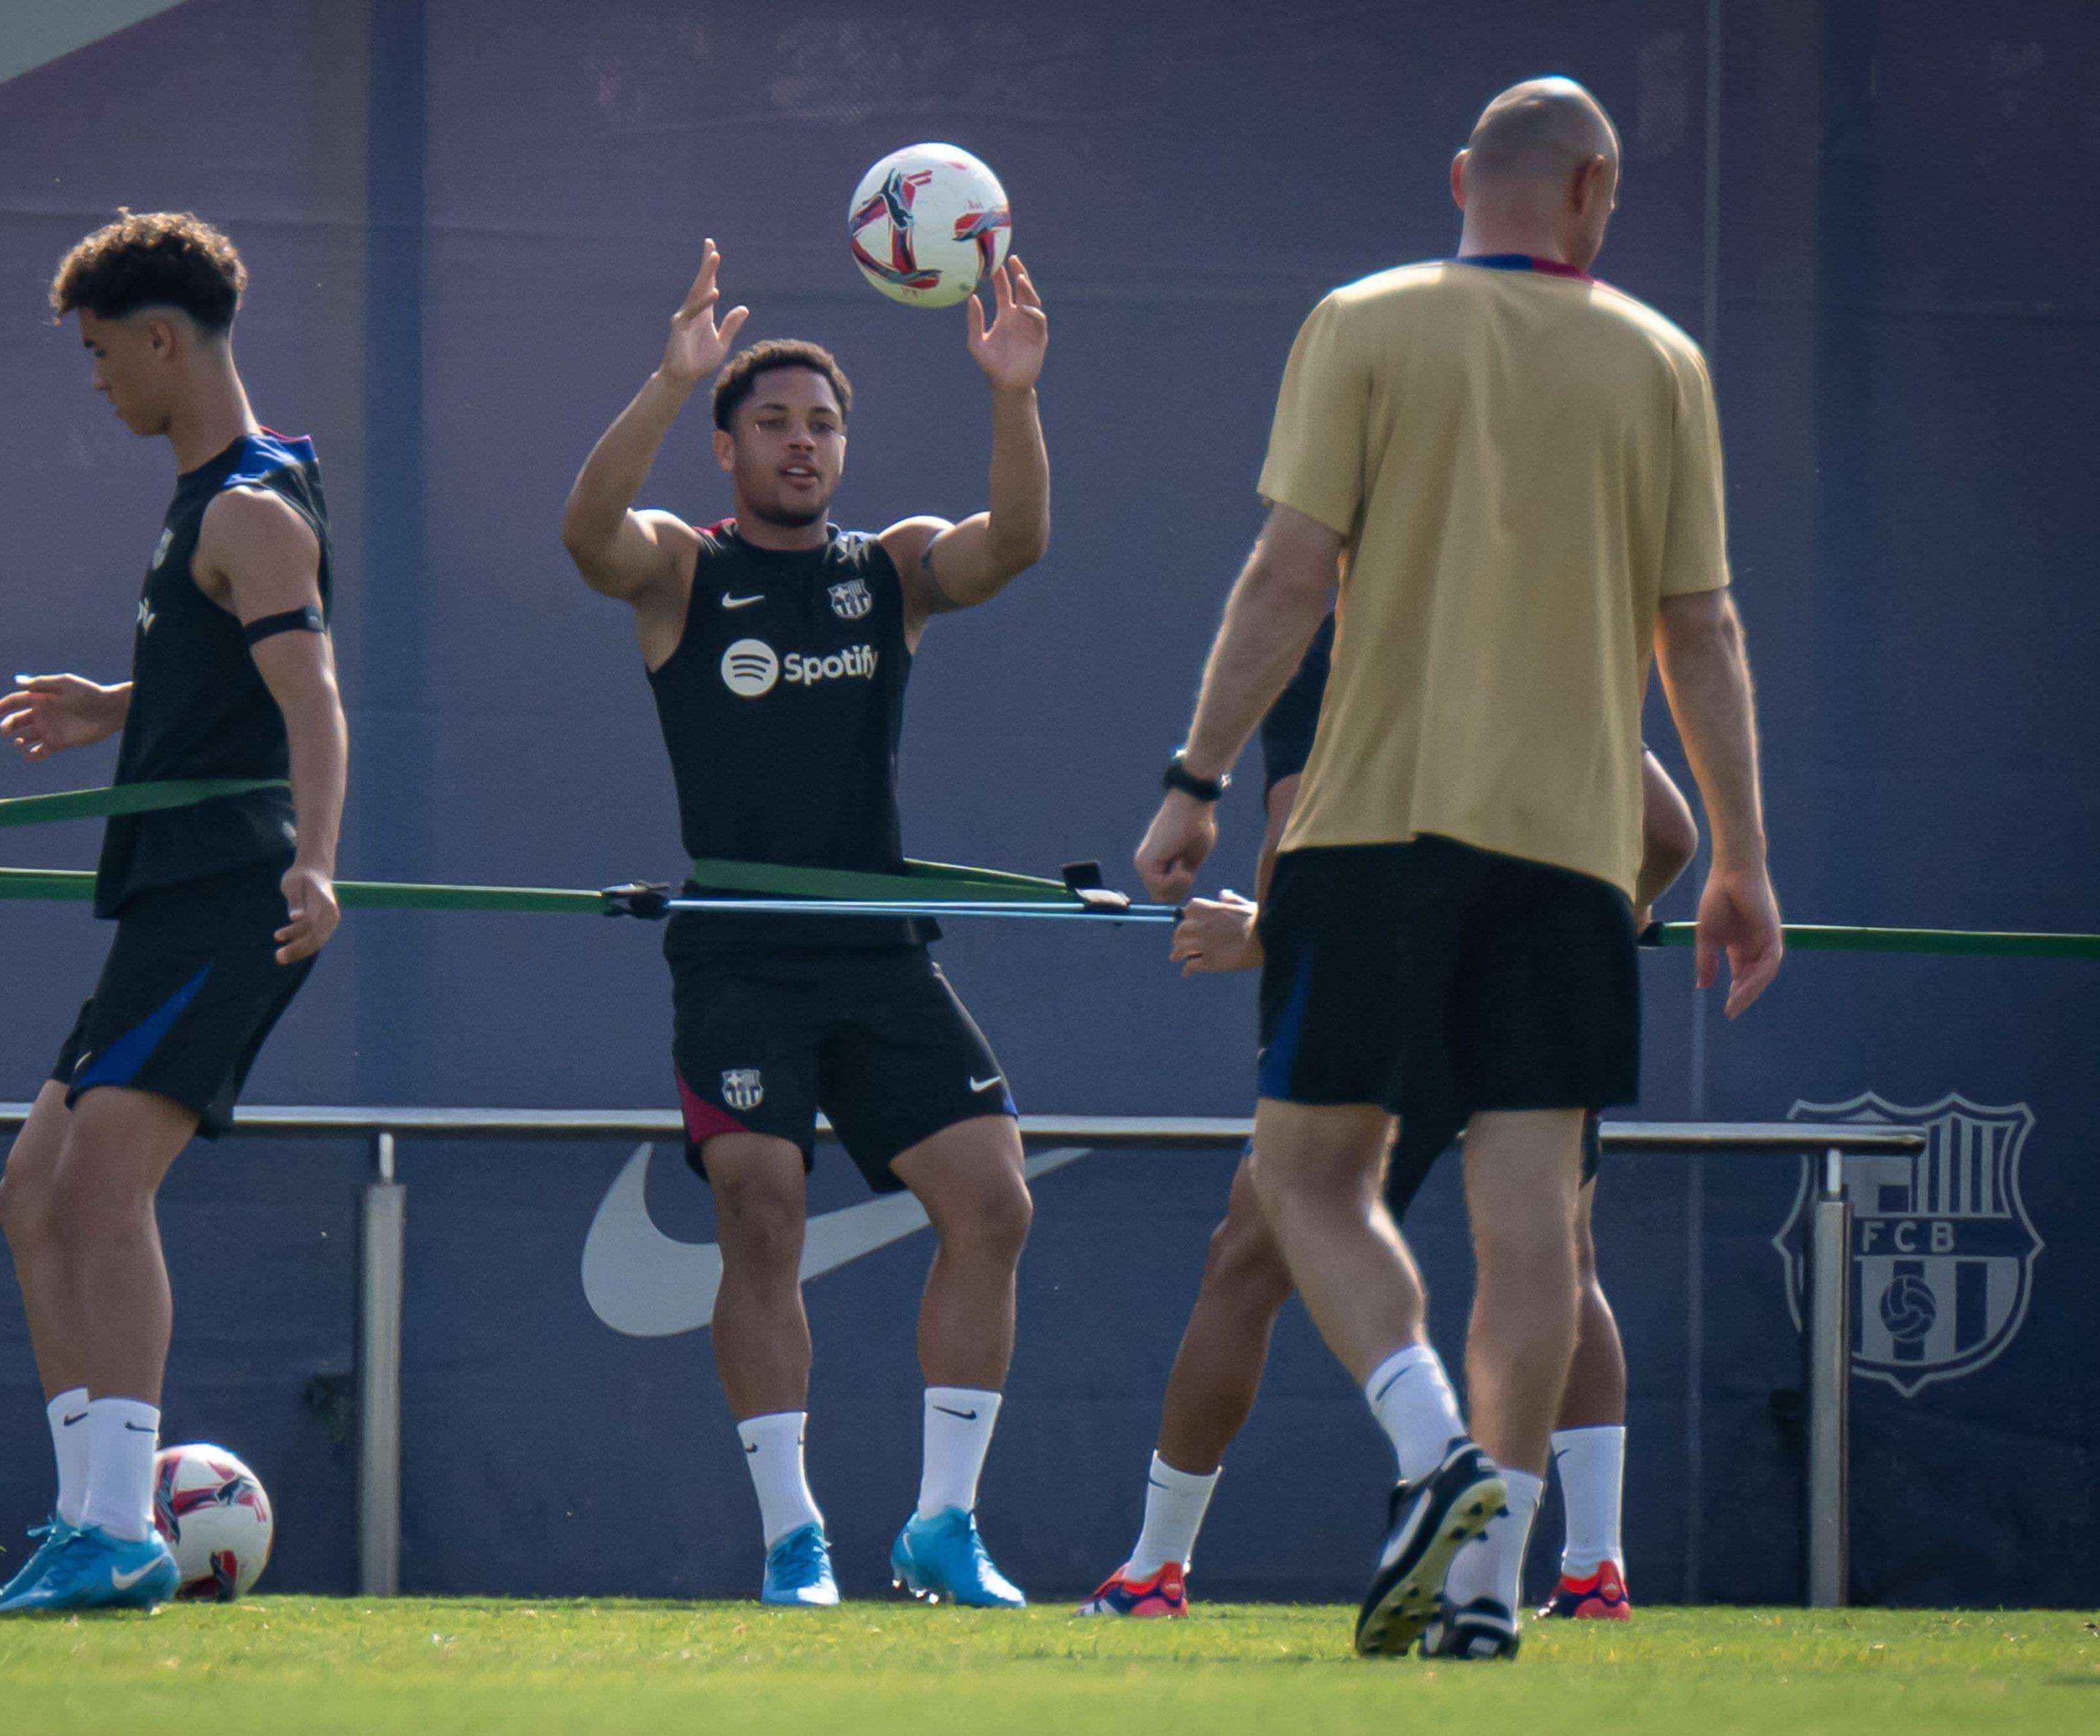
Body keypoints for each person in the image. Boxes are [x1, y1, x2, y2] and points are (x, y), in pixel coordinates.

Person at [1129, 77, 1783, 1659]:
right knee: (1531, 1226)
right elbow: (1698, 629)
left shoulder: (1360, 321)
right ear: (1592, 190)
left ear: (1456, 181)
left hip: (1371, 837)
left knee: (1304, 1181)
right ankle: (1484, 1591)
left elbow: (1287, 573)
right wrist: (1742, 860)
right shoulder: (1660, 359)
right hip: (1568, 860)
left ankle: (1431, 1453)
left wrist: (1193, 780)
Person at [559, 240, 1049, 1608]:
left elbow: (1014, 544)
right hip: (740, 952)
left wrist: (1013, 393)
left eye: (822, 424)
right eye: (772, 421)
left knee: (993, 1204)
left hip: (878, 949)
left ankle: (942, 1525)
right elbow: (587, 536)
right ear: (726, 447)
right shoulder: (682, 568)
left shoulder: (890, 569)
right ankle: (794, 1539)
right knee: (761, 1217)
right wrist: (672, 379)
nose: (801, 443)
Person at [1081, 609, 1698, 1624]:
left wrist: (1260, 935)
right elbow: (1668, 833)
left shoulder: (1327, 628)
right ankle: (1587, 1570)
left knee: (1257, 1249)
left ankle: (1159, 1567)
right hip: (1542, 981)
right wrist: (1605, 906)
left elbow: (1297, 837)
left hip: (1388, 987)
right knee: (1555, 1258)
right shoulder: (1542, 618)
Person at [0, 210, 348, 1613]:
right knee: (33, 1190)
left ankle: (121, 1527)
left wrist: (318, 865)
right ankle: (87, 1514)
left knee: (97, 1185)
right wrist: (117, 707)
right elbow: (237, 666)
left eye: (97, 354)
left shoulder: (246, 507)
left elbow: (315, 699)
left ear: (157, 341)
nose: (95, 381)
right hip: (168, 896)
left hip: (227, 895)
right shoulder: (224, 499)